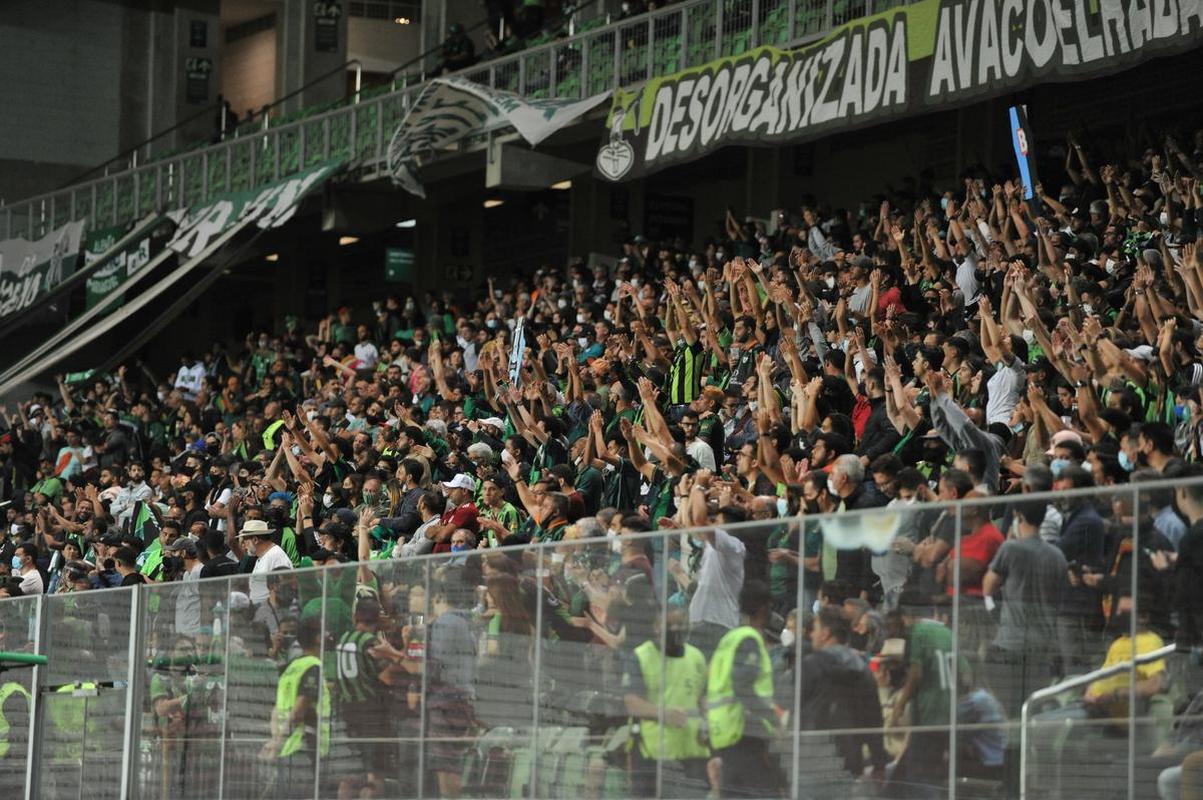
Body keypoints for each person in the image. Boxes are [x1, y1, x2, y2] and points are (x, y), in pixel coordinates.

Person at [622, 608, 710, 797]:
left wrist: (709, 720)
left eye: (682, 624)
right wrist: (663, 714)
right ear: (657, 627)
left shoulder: (697, 657)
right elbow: (631, 702)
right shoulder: (641, 656)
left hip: (692, 751)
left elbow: (703, 696)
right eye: (671, 625)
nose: (677, 629)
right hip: (652, 753)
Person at [706, 580, 782, 799]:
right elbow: (742, 687)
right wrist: (773, 721)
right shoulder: (749, 640)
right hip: (745, 731)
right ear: (762, 607)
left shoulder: (729, 639)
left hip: (724, 731)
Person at [261, 617, 329, 800]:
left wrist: (276, 739)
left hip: (287, 748)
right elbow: (300, 708)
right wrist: (278, 741)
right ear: (318, 638)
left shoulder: (292, 667)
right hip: (304, 747)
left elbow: (277, 709)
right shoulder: (313, 666)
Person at [239, 519, 293, 604]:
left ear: (255, 540)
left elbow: (285, 587)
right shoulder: (262, 557)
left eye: (245, 541)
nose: (244, 546)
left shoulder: (276, 555)